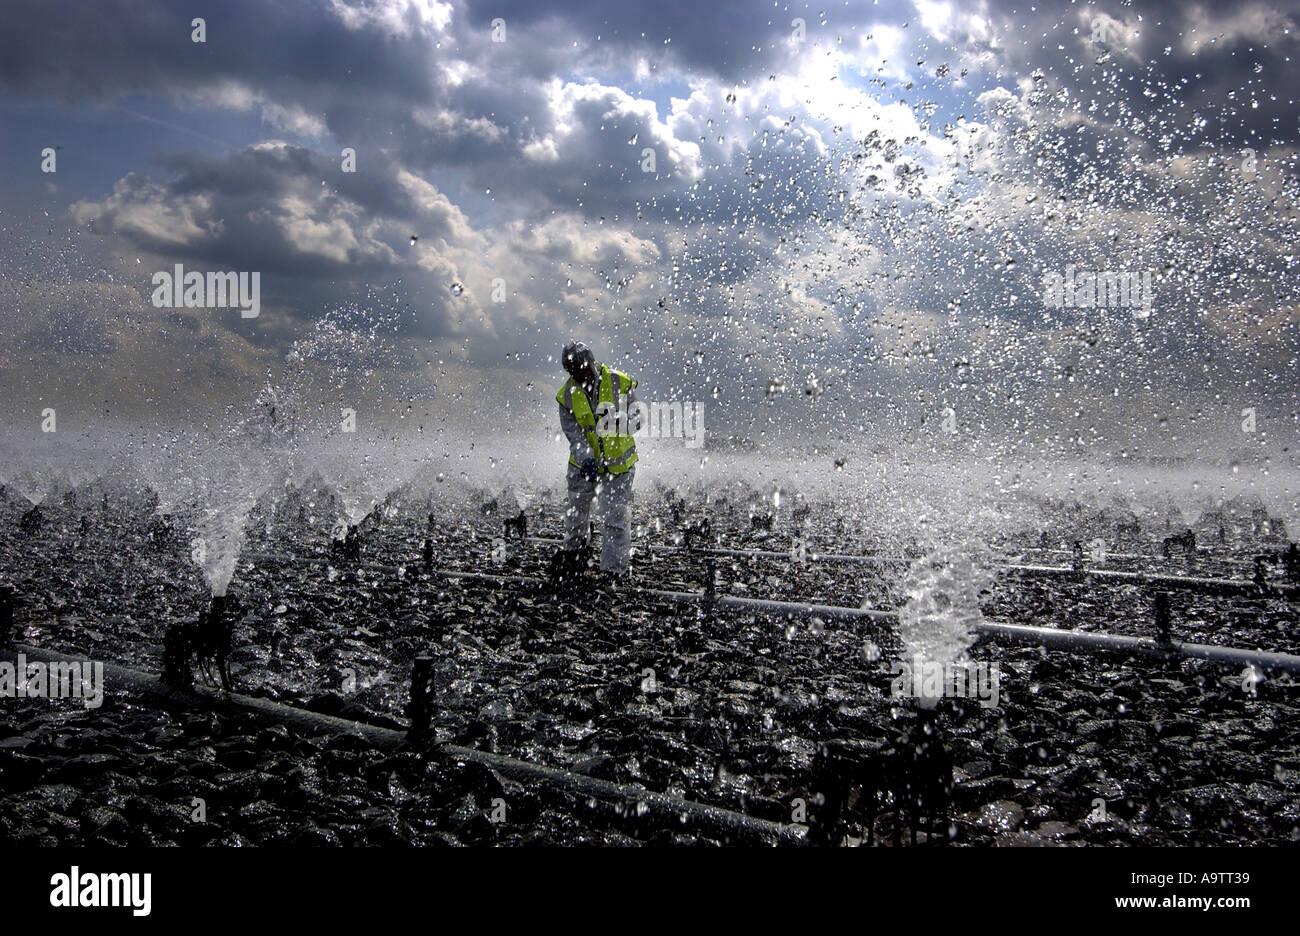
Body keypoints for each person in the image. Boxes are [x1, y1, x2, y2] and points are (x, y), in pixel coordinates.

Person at [555, 340, 641, 586]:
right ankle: (574, 559)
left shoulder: (619, 382)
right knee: (575, 514)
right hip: (584, 467)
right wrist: (586, 460)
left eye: (582, 368)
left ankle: (614, 571)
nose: (580, 374)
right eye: (573, 371)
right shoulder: (566, 396)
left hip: (618, 467)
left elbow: (638, 419)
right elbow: (575, 435)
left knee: (614, 518)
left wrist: (617, 422)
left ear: (591, 363)